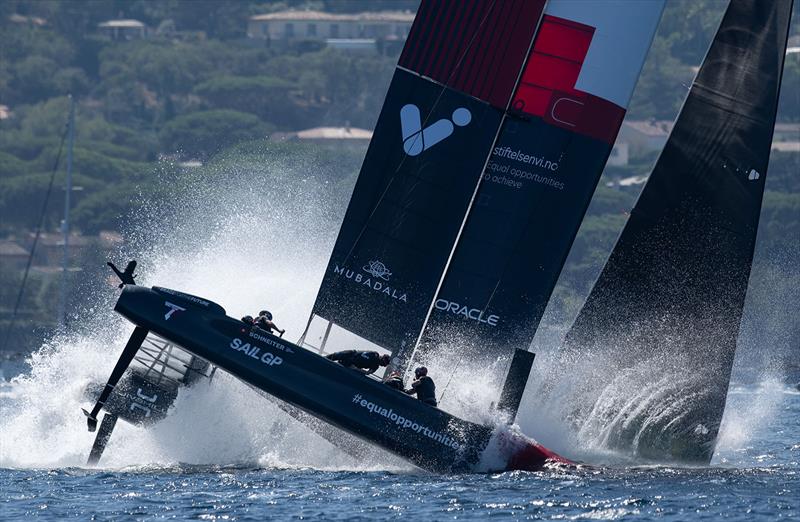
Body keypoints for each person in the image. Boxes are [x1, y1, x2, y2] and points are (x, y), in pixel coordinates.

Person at [326, 350, 391, 375]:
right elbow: (361, 352)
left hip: (350, 365)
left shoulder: (375, 367)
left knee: (335, 368)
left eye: (384, 364)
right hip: (350, 354)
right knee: (333, 356)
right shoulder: (375, 353)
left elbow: (367, 373)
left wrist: (355, 369)